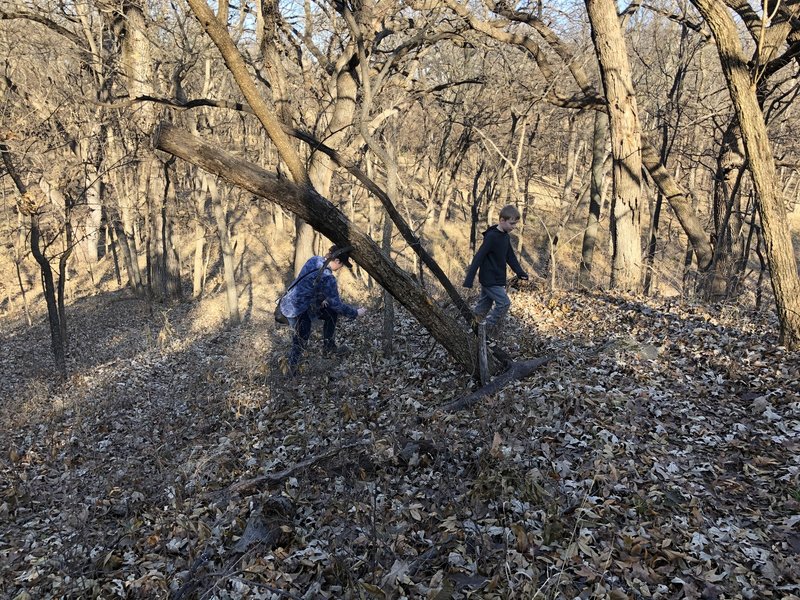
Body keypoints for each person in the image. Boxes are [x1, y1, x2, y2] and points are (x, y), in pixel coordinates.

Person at [279, 245, 367, 374]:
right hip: (296, 310)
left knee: (330, 312)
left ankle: (329, 348)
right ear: (337, 261)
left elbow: (309, 284)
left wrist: (321, 298)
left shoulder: (314, 260)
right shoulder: (328, 278)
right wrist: (355, 313)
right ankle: (291, 373)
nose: (340, 268)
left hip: (293, 303)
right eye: (341, 264)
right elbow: (337, 304)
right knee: (300, 341)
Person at [463, 204, 529, 334]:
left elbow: (510, 256)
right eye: (511, 224)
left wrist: (520, 272)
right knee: (504, 304)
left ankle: (471, 330)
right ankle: (485, 330)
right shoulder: (492, 237)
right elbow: (479, 257)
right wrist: (469, 279)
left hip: (498, 278)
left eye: (515, 224)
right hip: (489, 279)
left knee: (483, 307)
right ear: (502, 220)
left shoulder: (505, 237)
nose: (513, 227)